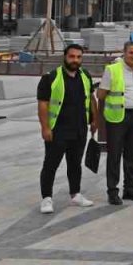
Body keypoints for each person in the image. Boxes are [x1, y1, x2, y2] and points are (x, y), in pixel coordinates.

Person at [37, 44, 96, 213]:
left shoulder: (85, 75)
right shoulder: (51, 77)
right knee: (51, 164)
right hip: (58, 130)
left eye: (78, 57)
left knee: (75, 164)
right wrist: (45, 128)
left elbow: (91, 99)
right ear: (65, 57)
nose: (75, 60)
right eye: (72, 56)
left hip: (79, 129)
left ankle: (75, 194)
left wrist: (94, 120)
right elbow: (43, 104)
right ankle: (47, 198)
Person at [99, 41, 133, 204]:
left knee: (132, 155)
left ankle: (130, 189)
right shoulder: (112, 69)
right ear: (124, 52)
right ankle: (113, 191)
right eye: (131, 53)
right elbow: (101, 94)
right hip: (117, 117)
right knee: (114, 155)